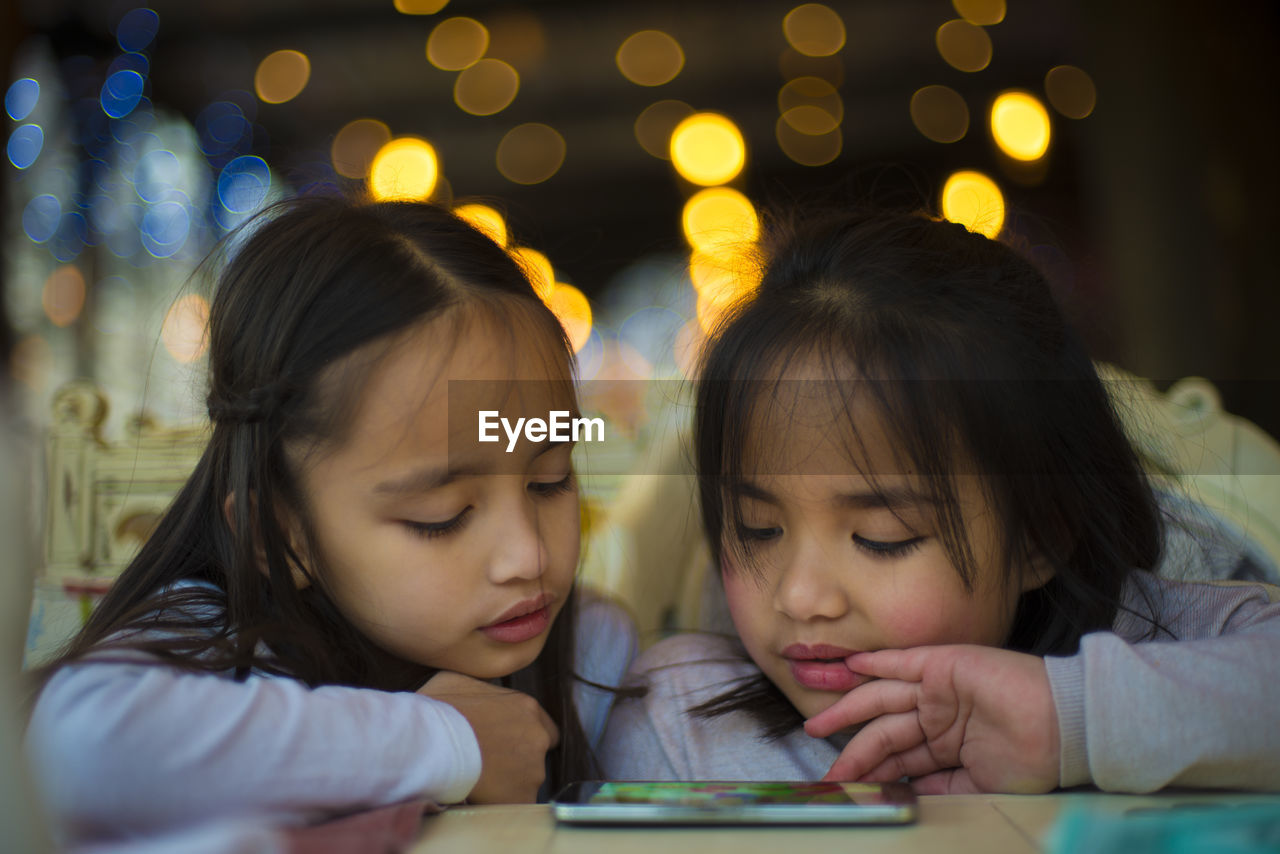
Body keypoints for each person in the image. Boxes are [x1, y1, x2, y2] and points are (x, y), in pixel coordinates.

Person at [600, 207, 1280, 793]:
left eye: (881, 537)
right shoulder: (687, 715)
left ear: (1040, 535)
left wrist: (1068, 721)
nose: (802, 597)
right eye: (756, 529)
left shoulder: (1160, 637)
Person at [24, 196, 636, 847]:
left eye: (550, 480)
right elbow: (76, 748)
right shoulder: (216, 642)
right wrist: (448, 742)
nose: (528, 556)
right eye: (443, 516)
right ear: (277, 533)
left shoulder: (594, 648)